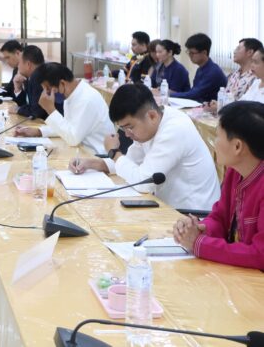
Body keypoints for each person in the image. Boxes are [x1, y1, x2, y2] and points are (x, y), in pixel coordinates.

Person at [69, 84, 220, 211]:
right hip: (171, 210)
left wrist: (114, 153)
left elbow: (144, 183)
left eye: (130, 127)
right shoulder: (150, 126)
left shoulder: (175, 129)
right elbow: (130, 162)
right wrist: (91, 164)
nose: (127, 134)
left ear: (152, 116)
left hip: (194, 217)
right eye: (123, 129)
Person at [173, 101, 264, 270]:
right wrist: (200, 229)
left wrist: (200, 244)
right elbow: (220, 217)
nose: (214, 143)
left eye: (217, 136)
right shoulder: (235, 171)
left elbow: (260, 255)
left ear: (237, 146)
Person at [14, 63, 115, 154]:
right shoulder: (71, 94)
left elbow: (73, 138)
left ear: (62, 83)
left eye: (48, 89)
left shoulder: (86, 99)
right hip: (82, 151)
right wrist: (39, 131)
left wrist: (50, 110)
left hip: (97, 155)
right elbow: (67, 126)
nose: (47, 93)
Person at [8, 46, 63, 120]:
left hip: (54, 121)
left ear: (28, 64)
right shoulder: (32, 75)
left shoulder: (38, 77)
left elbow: (36, 111)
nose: (18, 66)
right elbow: (29, 104)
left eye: (19, 63)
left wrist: (18, 110)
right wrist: (18, 88)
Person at [171, 33, 227, 103]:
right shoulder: (201, 69)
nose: (190, 55)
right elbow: (193, 91)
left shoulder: (213, 72)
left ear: (204, 53)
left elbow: (194, 94)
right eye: (188, 52)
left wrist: (170, 94)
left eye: (192, 53)